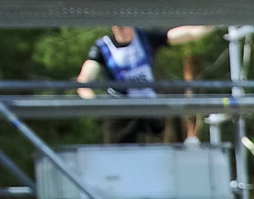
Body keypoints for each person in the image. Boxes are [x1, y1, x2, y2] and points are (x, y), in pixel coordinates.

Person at [75, 22, 210, 142]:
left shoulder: (145, 38)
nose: (121, 30)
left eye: (124, 25)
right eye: (117, 26)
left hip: (149, 105)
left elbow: (185, 34)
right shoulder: (103, 47)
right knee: (117, 152)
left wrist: (213, 25)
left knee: (169, 122)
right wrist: (92, 99)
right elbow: (84, 80)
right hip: (120, 110)